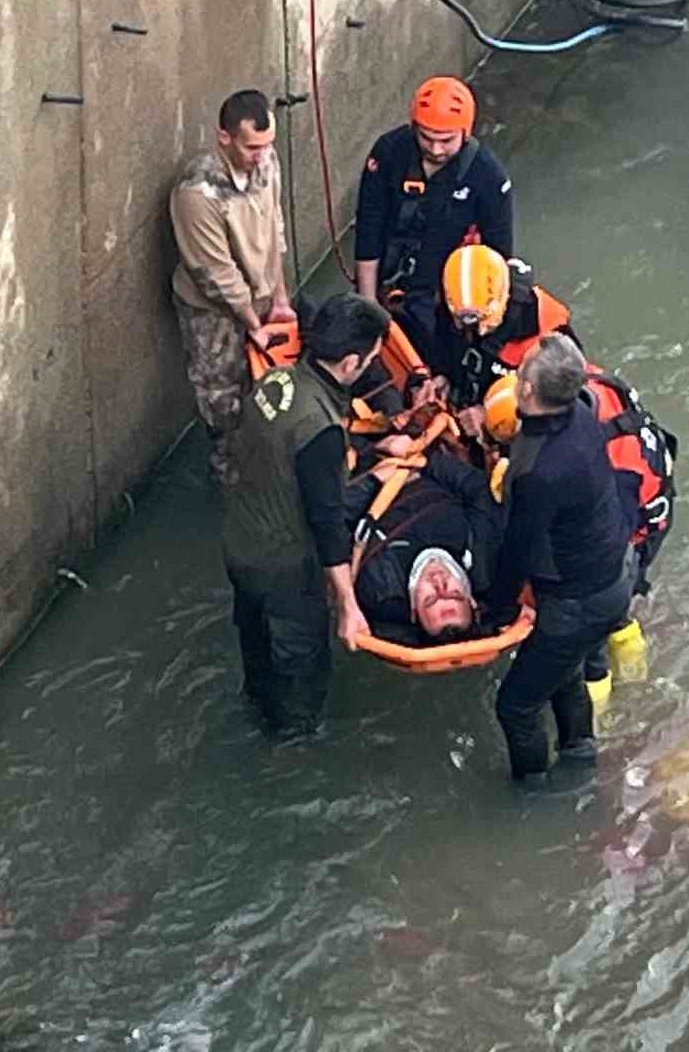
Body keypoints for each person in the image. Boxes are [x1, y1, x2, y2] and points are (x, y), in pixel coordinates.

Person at [221, 294, 391, 736]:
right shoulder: (321, 430)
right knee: (303, 669)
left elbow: (281, 454)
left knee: (257, 649)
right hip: (285, 568)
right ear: (351, 363)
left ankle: (256, 705)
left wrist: (369, 452)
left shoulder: (275, 382)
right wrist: (348, 605)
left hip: (241, 543)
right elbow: (327, 521)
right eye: (372, 358)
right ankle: (293, 741)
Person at [484, 333, 634, 780]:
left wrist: (498, 608)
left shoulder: (542, 472)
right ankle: (579, 753)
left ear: (527, 391)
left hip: (578, 600)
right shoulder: (581, 414)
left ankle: (531, 788)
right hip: (611, 574)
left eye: (521, 368)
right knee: (564, 672)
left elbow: (519, 548)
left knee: (515, 706)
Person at [170, 89, 298, 485]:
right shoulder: (198, 193)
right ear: (224, 137)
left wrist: (280, 299)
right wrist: (251, 323)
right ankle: (230, 476)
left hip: (260, 295)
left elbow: (274, 227)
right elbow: (216, 274)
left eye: (267, 145)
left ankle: (268, 463)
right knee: (222, 396)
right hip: (213, 312)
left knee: (272, 386)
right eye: (251, 147)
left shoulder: (266, 161)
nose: (261, 155)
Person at [354, 76, 514, 363]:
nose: (436, 149)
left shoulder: (488, 176)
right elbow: (368, 229)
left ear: (465, 132)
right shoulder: (390, 153)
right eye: (426, 138)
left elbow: (497, 257)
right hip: (389, 278)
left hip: (444, 296)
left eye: (446, 141)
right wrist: (367, 305)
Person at [345, 442, 504, 641]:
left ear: (413, 610)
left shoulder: (380, 587)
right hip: (427, 456)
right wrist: (425, 459)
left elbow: (336, 522)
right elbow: (479, 489)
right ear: (471, 599)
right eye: (454, 594)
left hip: (363, 468)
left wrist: (374, 480)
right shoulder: (483, 559)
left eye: (430, 599)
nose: (439, 584)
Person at [428, 245, 576, 437]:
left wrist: (491, 414)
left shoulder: (546, 331)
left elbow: (559, 404)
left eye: (480, 321)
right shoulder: (453, 303)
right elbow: (444, 342)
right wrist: (442, 375)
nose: (476, 329)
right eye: (462, 320)